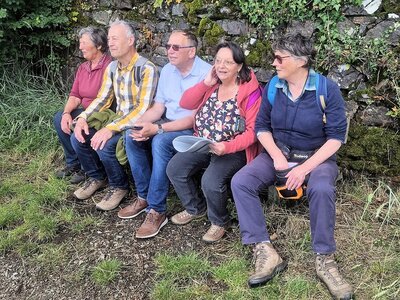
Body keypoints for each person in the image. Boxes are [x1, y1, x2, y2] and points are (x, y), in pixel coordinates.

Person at [230, 33, 354, 299]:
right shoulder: (275, 85)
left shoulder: (326, 89)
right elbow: (262, 127)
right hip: (280, 154)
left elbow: (335, 138)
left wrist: (303, 168)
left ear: (301, 61)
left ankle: (325, 259)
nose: (274, 63)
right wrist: (275, 156)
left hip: (316, 156)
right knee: (241, 182)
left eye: (279, 58)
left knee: (321, 189)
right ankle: (264, 249)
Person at [117, 30, 211, 239]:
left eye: (176, 47)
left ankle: (157, 210)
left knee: (160, 142)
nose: (170, 51)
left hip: (191, 129)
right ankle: (143, 197)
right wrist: (141, 123)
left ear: (192, 51)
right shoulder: (168, 70)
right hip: (168, 122)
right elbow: (159, 108)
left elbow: (195, 119)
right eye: (168, 46)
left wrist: (158, 129)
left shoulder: (207, 74)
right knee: (132, 137)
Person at [166, 42, 261, 243]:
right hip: (204, 143)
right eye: (218, 61)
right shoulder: (212, 85)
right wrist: (205, 83)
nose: (221, 66)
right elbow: (185, 103)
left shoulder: (250, 92)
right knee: (175, 168)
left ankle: (219, 221)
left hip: (233, 149)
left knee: (210, 181)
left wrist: (226, 147)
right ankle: (196, 208)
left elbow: (253, 133)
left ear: (239, 66)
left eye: (228, 62)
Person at [70, 20, 159, 211]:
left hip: (138, 122)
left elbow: (142, 109)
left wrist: (110, 129)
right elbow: (102, 99)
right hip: (118, 119)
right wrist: (82, 118)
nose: (110, 43)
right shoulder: (112, 68)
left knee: (105, 145)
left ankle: (119, 186)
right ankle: (96, 177)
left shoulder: (146, 69)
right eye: (109, 38)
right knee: (78, 137)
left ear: (130, 40)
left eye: (115, 38)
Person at [54, 27, 112, 184]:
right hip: (84, 111)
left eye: (83, 43)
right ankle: (74, 163)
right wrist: (67, 113)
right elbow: (75, 95)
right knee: (59, 118)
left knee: (78, 133)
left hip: (100, 114)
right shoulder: (83, 67)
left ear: (99, 45)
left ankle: (91, 170)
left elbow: (106, 101)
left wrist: (83, 117)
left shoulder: (110, 66)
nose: (80, 47)